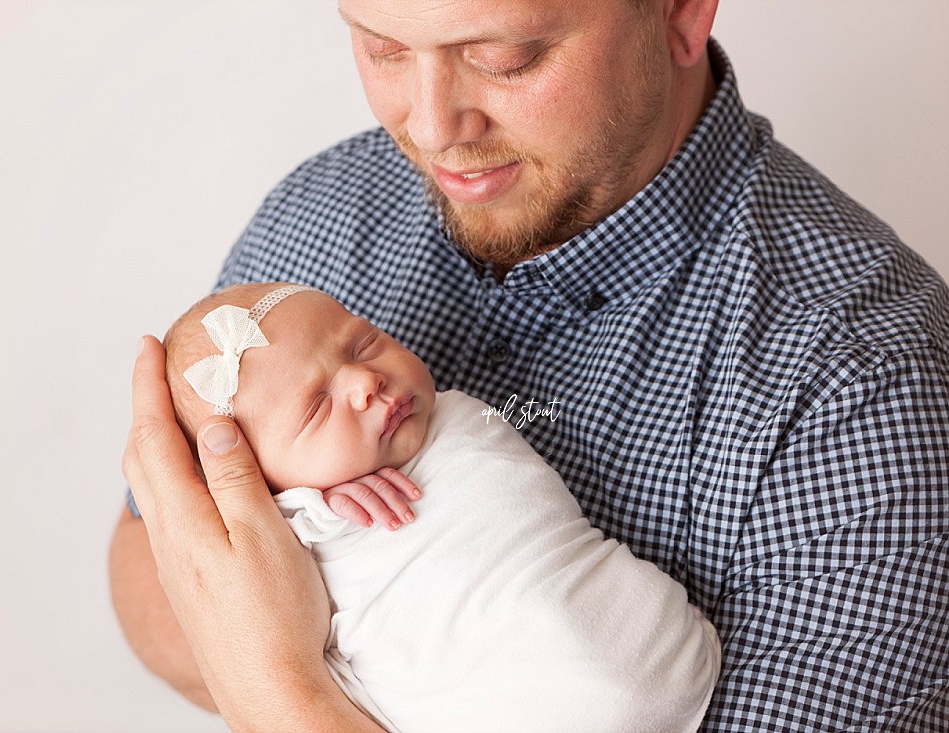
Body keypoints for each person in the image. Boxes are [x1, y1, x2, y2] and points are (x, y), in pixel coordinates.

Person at [111, 1, 949, 730]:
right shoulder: (322, 210)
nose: (434, 128)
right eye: (382, 47)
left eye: (504, 56)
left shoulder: (869, 382)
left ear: (683, 9)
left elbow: (220, 611)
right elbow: (143, 568)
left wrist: (286, 693)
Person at [158, 281, 721, 733]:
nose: (365, 381)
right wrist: (311, 508)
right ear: (258, 480)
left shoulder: (459, 413)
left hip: (666, 650)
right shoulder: (295, 527)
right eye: (317, 407)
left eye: (364, 343)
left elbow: (516, 425)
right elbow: (258, 591)